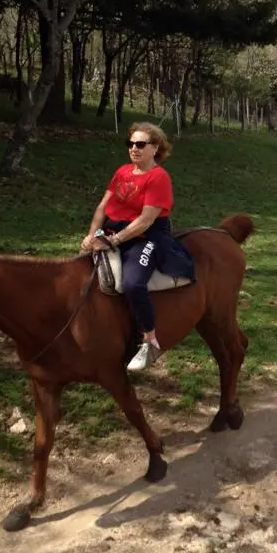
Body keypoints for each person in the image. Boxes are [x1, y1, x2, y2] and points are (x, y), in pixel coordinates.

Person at [81, 122, 193, 372]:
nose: (134, 148)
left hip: (146, 237)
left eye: (140, 144)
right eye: (130, 144)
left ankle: (150, 340)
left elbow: (146, 220)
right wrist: (92, 235)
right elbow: (103, 208)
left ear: (155, 148)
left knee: (132, 283)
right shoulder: (121, 172)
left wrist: (114, 240)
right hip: (112, 231)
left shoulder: (158, 177)